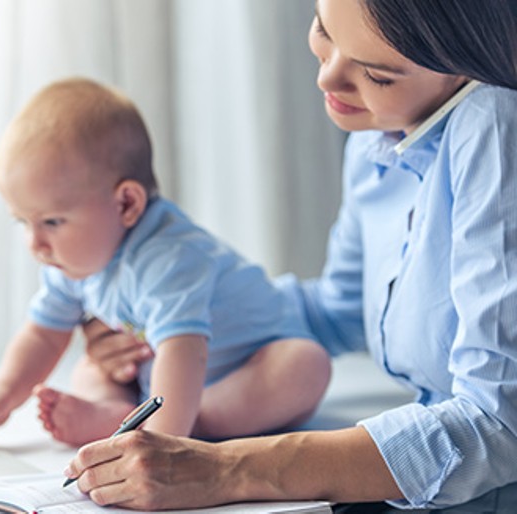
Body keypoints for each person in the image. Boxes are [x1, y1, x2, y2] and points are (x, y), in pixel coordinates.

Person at [64, 0, 517, 510]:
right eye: (324, 32)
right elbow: (338, 312)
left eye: (376, 75)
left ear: (478, 63)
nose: (329, 77)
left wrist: (228, 469)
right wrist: (178, 323)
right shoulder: (383, 141)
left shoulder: (496, 123)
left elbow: (500, 423)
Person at [0, 78, 331, 448]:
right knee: (91, 368)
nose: (36, 244)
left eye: (51, 222)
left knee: (305, 364)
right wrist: (0, 397)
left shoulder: (169, 258)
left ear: (126, 204)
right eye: (23, 222)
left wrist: (162, 445)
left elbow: (184, 353)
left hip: (242, 373)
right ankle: (121, 415)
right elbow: (43, 335)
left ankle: (163, 427)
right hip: (161, 384)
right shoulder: (72, 261)